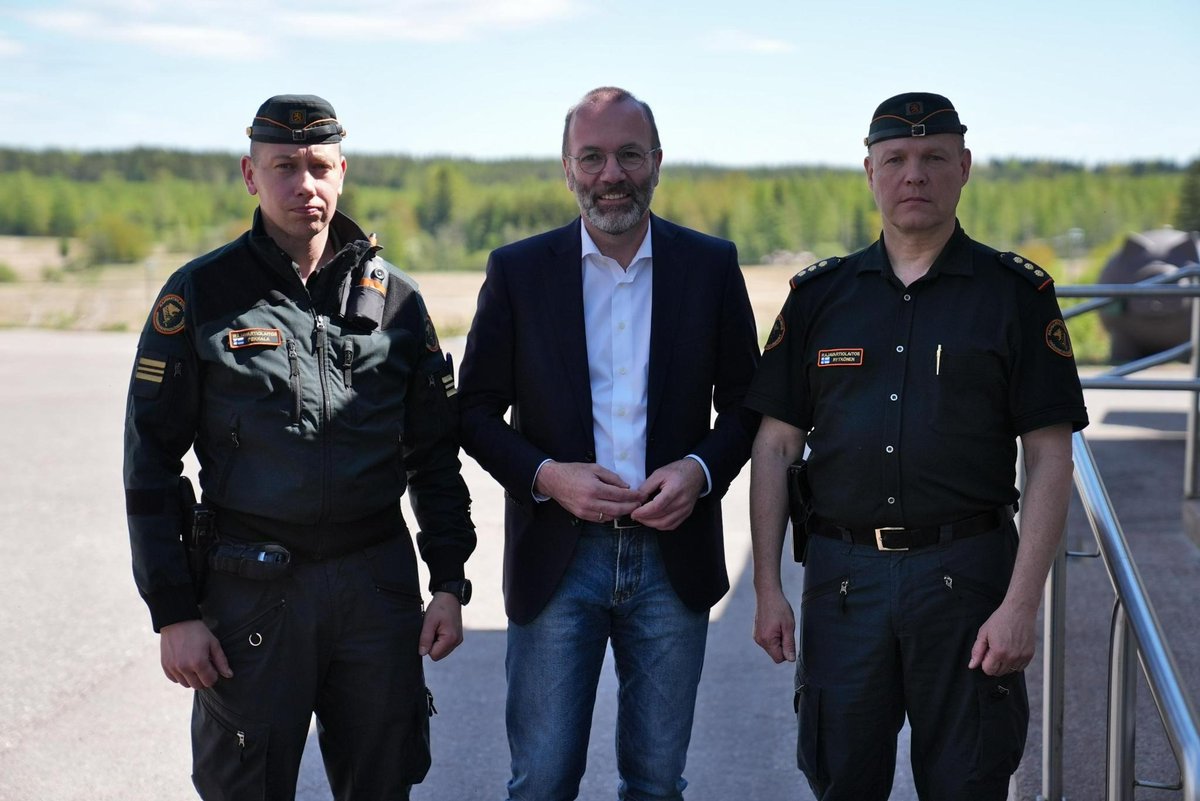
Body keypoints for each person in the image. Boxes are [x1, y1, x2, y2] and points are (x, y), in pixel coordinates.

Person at [122, 94, 476, 801]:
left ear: (342, 171)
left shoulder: (396, 302)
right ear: (251, 175)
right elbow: (151, 463)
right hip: (251, 590)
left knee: (381, 781)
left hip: (374, 590)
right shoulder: (201, 295)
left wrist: (447, 580)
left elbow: (434, 454)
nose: (303, 185)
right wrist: (174, 612)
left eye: (318, 166)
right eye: (284, 166)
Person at [745, 92, 1089, 801]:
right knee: (842, 780)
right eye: (896, 159)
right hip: (844, 583)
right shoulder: (818, 298)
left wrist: (1023, 603)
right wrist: (769, 587)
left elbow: (1051, 457)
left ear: (963, 167)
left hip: (967, 582)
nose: (915, 175)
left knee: (967, 783)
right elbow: (775, 446)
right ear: (869, 170)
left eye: (934, 158)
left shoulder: (1016, 296)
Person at [457, 86, 760, 801]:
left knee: (657, 781)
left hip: (672, 557)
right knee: (543, 779)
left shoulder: (711, 266)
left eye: (628, 154)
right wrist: (546, 475)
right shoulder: (518, 271)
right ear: (567, 168)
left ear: (656, 161)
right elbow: (470, 411)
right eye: (591, 157)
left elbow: (749, 405)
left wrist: (700, 470)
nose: (610, 174)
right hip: (557, 559)